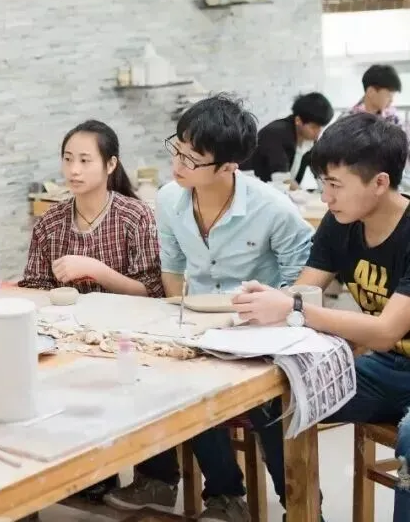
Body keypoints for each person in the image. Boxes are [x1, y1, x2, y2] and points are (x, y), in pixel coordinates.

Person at [104, 94, 314, 522]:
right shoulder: (169, 199)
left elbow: (304, 284)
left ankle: (301, 508)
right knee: (173, 381)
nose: (177, 163)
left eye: (192, 158)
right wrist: (177, 324)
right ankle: (224, 496)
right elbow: (173, 268)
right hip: (199, 328)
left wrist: (275, 316)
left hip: (260, 331)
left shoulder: (273, 209)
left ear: (227, 166)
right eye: (177, 148)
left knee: (271, 404)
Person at [233, 112, 410, 522]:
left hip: (385, 352)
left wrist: (294, 308)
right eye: (322, 183)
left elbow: (385, 331)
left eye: (335, 185)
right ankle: (304, 515)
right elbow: (303, 290)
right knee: (272, 401)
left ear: (379, 182)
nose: (325, 197)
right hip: (387, 369)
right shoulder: (340, 222)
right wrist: (262, 301)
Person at [18, 120, 162, 298]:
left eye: (84, 160)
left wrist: (96, 270)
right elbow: (34, 288)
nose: (74, 170)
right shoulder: (50, 222)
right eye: (68, 159)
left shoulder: (136, 216)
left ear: (111, 164)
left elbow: (152, 291)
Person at [240, 92, 334, 185]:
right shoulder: (276, 133)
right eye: (314, 127)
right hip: (253, 186)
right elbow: (282, 179)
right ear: (298, 120)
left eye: (321, 127)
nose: (318, 132)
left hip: (278, 190)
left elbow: (320, 172)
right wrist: (302, 193)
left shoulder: (309, 139)